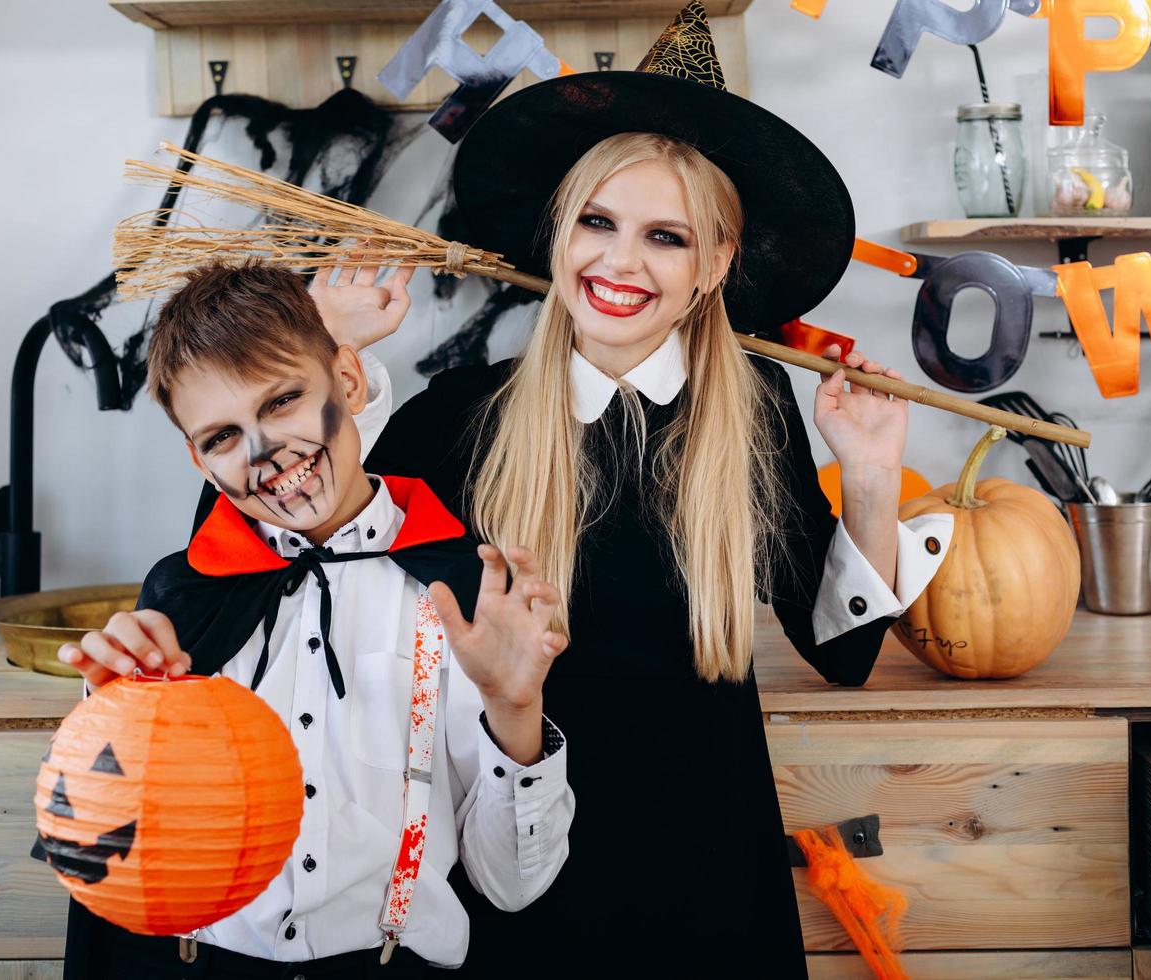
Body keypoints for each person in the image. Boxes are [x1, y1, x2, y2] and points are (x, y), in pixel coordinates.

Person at [315, 3, 953, 974]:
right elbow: (319, 560)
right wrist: (334, 360)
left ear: (714, 266)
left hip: (707, 859)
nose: (620, 261)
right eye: (600, 222)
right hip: (515, 860)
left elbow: (844, 652)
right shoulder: (459, 415)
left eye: (666, 236)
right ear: (559, 232)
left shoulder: (757, 409)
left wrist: (867, 476)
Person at [50, 261, 576, 978]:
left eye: (282, 402)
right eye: (223, 437)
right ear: (200, 461)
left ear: (350, 383)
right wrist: (113, 714)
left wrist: (515, 708)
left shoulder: (463, 595)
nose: (266, 455)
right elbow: (122, 843)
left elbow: (513, 887)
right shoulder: (185, 596)